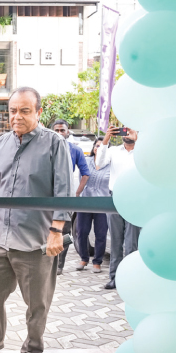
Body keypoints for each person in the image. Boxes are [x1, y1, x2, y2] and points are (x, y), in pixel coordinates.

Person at [0, 87, 71, 353]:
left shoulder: (54, 144)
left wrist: (56, 231)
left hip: (36, 241)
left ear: (38, 112)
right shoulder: (1, 143)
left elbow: (64, 191)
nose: (17, 116)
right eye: (13, 111)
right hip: (0, 238)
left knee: (37, 304)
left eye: (25, 111)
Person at [95, 126, 140, 290]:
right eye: (124, 130)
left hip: (136, 199)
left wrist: (139, 142)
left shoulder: (142, 152)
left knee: (132, 243)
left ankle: (131, 278)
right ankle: (114, 277)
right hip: (115, 198)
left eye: (130, 130)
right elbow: (99, 163)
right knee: (115, 240)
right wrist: (106, 139)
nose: (126, 133)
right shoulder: (113, 151)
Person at [52, 119, 90, 275]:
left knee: (65, 232)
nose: (59, 133)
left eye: (62, 130)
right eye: (56, 130)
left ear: (68, 132)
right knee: (46, 230)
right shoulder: (45, 149)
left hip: (66, 199)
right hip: (47, 198)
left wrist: (76, 193)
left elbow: (86, 173)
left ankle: (59, 265)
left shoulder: (75, 150)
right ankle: (47, 262)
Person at [75, 138, 110, 273]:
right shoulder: (86, 161)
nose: (98, 148)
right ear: (93, 148)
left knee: (100, 234)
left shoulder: (110, 164)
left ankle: (97, 262)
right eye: (96, 146)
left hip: (102, 204)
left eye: (101, 146)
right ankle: (84, 258)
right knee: (82, 231)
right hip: (85, 202)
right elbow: (81, 178)